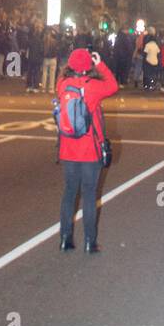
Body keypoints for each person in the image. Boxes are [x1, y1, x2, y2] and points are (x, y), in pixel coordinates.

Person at [55, 48, 118, 253]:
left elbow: (62, 80)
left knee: (69, 193)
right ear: (88, 65)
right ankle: (90, 242)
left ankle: (65, 238)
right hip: (90, 149)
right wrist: (100, 64)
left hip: (68, 149)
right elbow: (113, 86)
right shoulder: (94, 87)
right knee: (90, 195)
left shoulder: (63, 85)